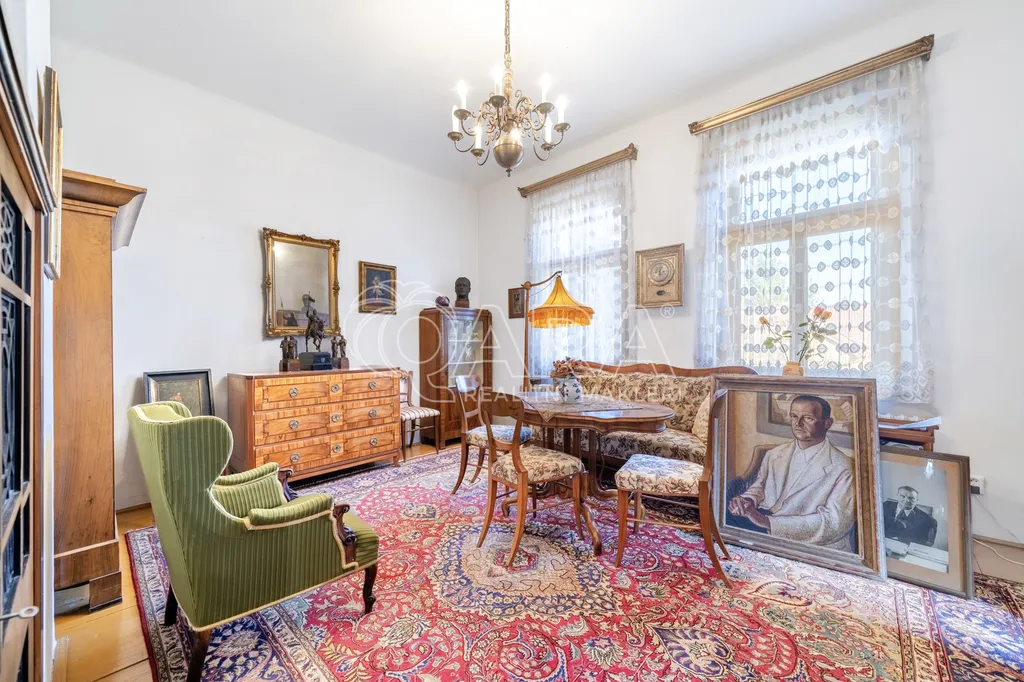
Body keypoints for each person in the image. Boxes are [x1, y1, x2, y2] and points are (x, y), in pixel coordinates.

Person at [727, 395, 856, 552]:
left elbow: (833, 524)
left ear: (827, 423)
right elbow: (759, 487)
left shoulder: (843, 468)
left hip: (810, 542)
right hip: (765, 524)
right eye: (794, 416)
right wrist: (747, 500)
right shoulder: (775, 454)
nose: (798, 423)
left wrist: (766, 522)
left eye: (808, 418)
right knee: (721, 519)